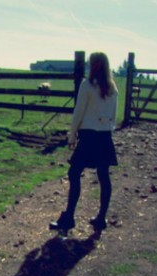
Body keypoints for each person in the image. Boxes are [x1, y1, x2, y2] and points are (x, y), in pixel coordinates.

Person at [50, 52, 118, 236]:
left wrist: (72, 135)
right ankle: (101, 218)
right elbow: (114, 117)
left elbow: (78, 112)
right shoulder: (113, 88)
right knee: (104, 176)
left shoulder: (87, 85)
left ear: (94, 65)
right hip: (105, 136)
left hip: (88, 136)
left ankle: (69, 217)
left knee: (74, 173)